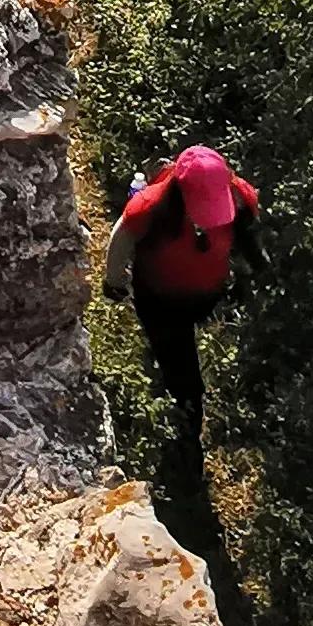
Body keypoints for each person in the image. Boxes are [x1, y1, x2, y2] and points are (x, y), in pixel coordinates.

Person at [107, 139, 260, 558]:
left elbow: (246, 235)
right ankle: (187, 431)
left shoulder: (240, 196)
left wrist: (256, 272)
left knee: (177, 350)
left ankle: (179, 403)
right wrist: (115, 281)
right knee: (183, 374)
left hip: (201, 295)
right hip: (159, 299)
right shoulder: (153, 207)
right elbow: (122, 238)